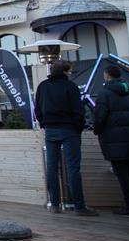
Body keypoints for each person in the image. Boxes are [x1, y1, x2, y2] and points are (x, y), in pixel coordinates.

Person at [35, 60, 97, 215]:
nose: (71, 73)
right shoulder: (70, 86)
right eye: (70, 70)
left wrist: (44, 123)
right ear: (64, 71)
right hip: (69, 129)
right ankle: (79, 206)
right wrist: (78, 127)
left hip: (50, 130)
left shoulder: (43, 86)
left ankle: (54, 204)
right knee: (73, 169)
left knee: (52, 168)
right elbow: (78, 110)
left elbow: (37, 109)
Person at [95, 66, 129, 216]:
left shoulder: (104, 94)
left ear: (107, 76)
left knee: (122, 174)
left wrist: (97, 129)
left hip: (113, 140)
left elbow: (100, 116)